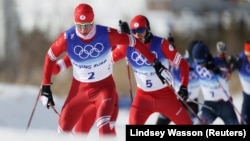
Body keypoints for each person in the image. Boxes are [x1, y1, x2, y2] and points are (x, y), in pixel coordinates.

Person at [39, 3, 167, 137]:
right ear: (75, 23)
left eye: (87, 25)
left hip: (104, 88)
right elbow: (50, 56)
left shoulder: (106, 34)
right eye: (80, 26)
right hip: (79, 91)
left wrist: (156, 64)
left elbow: (133, 43)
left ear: (92, 22)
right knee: (63, 130)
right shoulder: (68, 39)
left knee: (104, 126)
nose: (83, 30)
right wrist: (46, 86)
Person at [114, 15, 192, 125]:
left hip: (165, 96)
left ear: (148, 29)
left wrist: (184, 86)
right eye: (134, 31)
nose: (137, 34)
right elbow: (107, 58)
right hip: (143, 97)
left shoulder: (161, 44)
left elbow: (183, 64)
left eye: (141, 30)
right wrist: (121, 40)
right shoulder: (128, 46)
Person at [52, 55, 119, 135]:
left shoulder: (106, 44)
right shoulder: (77, 50)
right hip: (85, 99)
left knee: (107, 130)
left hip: (105, 96)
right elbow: (57, 68)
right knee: (80, 132)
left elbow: (124, 48)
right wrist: (50, 65)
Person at [191, 41, 239, 125]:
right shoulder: (196, 66)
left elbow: (227, 75)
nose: (199, 64)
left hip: (225, 105)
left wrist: (216, 70)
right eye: (197, 62)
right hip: (209, 105)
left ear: (206, 56)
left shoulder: (218, 62)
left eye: (201, 61)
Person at [156, 40, 201, 125]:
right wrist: (170, 50)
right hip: (175, 100)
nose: (197, 63)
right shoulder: (181, 61)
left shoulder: (202, 65)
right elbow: (168, 63)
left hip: (191, 103)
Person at [228, 41, 250, 124]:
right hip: (247, 96)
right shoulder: (241, 60)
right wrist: (230, 64)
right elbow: (228, 72)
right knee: (244, 121)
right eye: (248, 56)